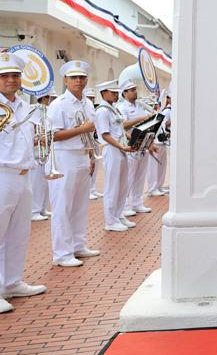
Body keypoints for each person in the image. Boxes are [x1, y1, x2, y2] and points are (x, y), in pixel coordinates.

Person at [0, 52, 49, 315]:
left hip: (24, 174)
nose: (11, 80)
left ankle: (12, 282)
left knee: (18, 234)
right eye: (4, 76)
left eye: (15, 75)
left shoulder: (25, 107)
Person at [47, 61, 100, 267]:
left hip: (82, 156)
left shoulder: (87, 103)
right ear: (66, 80)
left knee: (80, 205)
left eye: (82, 77)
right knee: (62, 206)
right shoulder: (58, 104)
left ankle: (78, 245)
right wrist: (81, 128)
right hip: (63, 157)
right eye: (74, 77)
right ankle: (61, 253)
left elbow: (89, 134)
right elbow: (53, 135)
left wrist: (90, 156)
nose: (78, 81)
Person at [94, 80, 133, 231]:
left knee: (122, 184)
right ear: (104, 93)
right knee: (112, 185)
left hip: (121, 148)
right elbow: (105, 134)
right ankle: (110, 220)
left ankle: (119, 214)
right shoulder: (102, 111)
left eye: (117, 92)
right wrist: (121, 146)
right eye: (113, 92)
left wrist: (131, 141)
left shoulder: (114, 109)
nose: (117, 95)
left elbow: (120, 131)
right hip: (112, 149)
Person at [117, 82, 155, 217]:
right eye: (131, 90)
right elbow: (123, 124)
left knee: (140, 176)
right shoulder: (121, 108)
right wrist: (142, 117)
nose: (135, 92)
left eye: (135, 89)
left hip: (143, 144)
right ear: (124, 93)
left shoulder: (140, 106)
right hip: (130, 145)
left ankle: (137, 203)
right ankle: (125, 205)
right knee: (129, 177)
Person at [28, 92, 55, 221]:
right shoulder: (35, 110)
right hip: (38, 150)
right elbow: (33, 128)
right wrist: (39, 138)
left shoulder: (49, 111)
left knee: (45, 182)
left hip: (47, 148)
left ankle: (43, 208)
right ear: (43, 98)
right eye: (51, 97)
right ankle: (34, 210)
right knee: (37, 182)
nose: (52, 100)